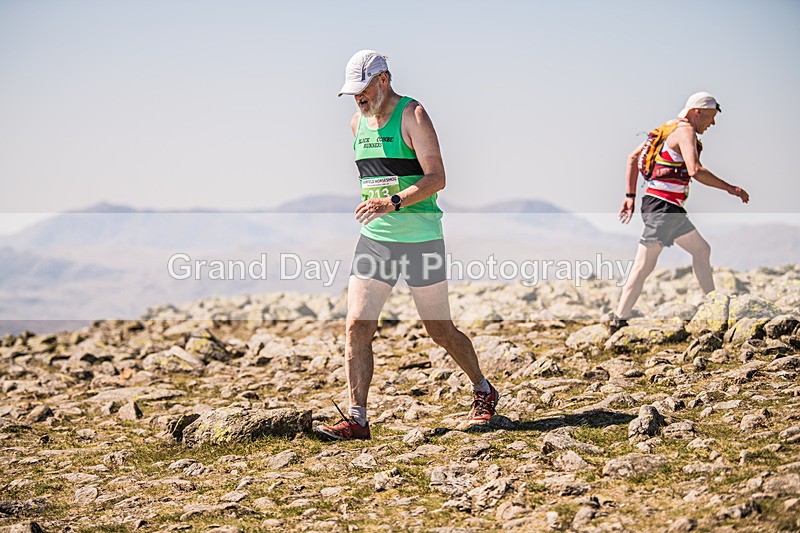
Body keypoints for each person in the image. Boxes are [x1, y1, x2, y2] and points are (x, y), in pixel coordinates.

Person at [315, 50, 499, 440]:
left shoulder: (413, 115)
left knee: (439, 329)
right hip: (376, 241)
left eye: (362, 89)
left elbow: (437, 178)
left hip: (421, 240)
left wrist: (393, 201)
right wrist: (376, 202)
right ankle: (357, 418)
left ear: (383, 80)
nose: (358, 99)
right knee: (356, 326)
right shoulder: (356, 123)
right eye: (352, 93)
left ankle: (483, 389)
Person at [611, 92, 750, 333]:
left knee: (701, 250)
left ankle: (712, 305)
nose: (713, 123)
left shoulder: (668, 127)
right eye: (710, 117)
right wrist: (730, 188)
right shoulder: (685, 131)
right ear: (697, 112)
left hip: (666, 208)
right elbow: (695, 170)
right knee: (643, 265)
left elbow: (633, 157)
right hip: (663, 209)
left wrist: (630, 196)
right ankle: (618, 320)